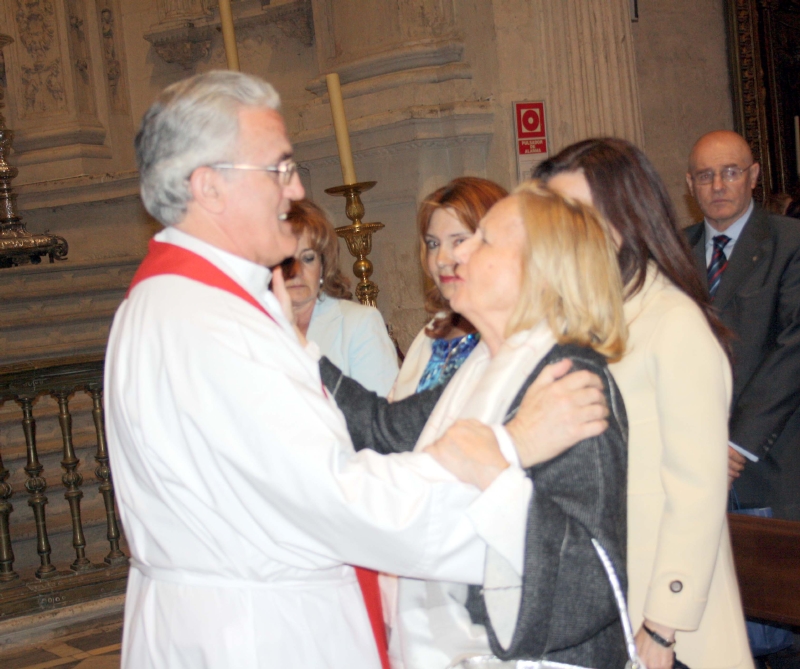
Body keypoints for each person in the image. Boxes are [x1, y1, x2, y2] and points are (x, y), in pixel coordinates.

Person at [106, 70, 608, 669]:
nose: (295, 189)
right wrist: (508, 446)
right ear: (209, 187)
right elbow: (343, 501)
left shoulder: (186, 304)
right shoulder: (209, 324)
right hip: (256, 635)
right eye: (279, 168)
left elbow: (590, 571)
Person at [327, 182, 631, 668]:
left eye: (482, 241)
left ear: (539, 268)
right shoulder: (482, 368)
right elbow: (382, 431)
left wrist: (497, 473)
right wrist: (282, 340)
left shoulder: (565, 378)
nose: (453, 255)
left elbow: (590, 585)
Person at [532, 137, 752, 669]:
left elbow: (697, 490)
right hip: (596, 599)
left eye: (578, 214)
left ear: (625, 215)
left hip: (666, 619)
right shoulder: (580, 321)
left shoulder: (672, 322)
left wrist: (661, 626)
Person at [685, 130, 800, 521]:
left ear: (753, 176)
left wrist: (737, 445)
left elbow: (793, 350)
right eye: (705, 175)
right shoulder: (671, 252)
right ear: (690, 184)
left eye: (730, 172)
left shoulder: (791, 243)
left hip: (768, 467)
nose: (718, 185)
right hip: (691, 472)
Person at [392, 177, 507, 399]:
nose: (441, 259)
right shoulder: (431, 333)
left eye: (459, 241)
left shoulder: (519, 338)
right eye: (433, 244)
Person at [285, 198, 398, 395]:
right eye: (287, 260)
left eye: (308, 258)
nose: (297, 271)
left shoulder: (359, 323)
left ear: (323, 264)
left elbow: (380, 410)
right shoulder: (254, 325)